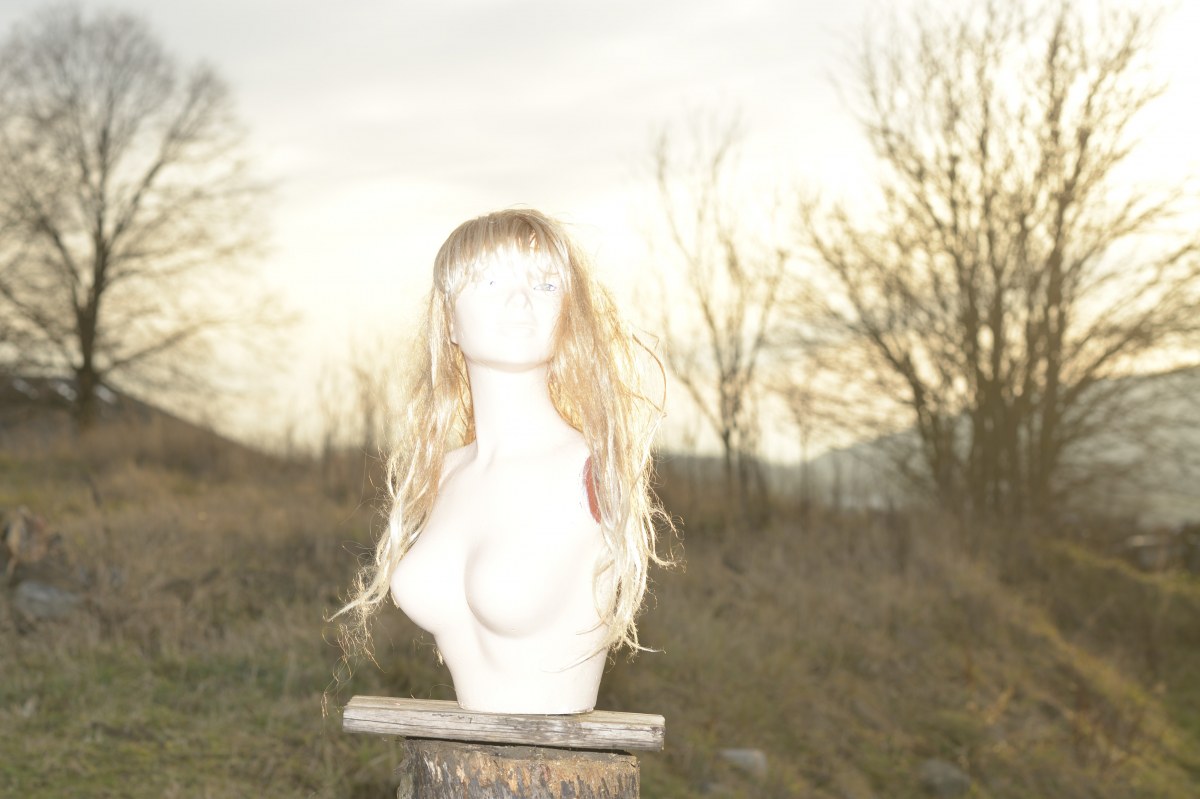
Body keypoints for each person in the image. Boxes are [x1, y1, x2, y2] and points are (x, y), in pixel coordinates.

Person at [335, 208, 674, 714]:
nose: (520, 299)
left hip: (553, 755)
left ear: (569, 313)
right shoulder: (445, 473)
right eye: (491, 280)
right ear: (449, 320)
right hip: (457, 754)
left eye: (546, 284)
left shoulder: (589, 470)